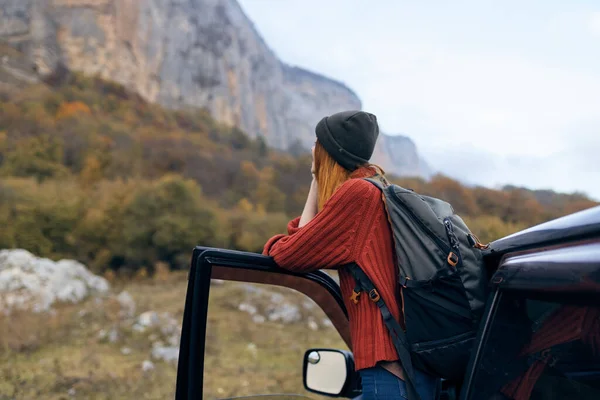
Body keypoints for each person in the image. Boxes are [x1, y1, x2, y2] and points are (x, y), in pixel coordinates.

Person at [263, 110, 439, 400]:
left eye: (317, 146)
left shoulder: (358, 196)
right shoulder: (378, 189)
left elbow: (288, 254)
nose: (312, 152)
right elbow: (305, 243)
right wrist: (317, 180)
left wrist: (316, 180)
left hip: (391, 371)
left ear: (330, 153)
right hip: (409, 368)